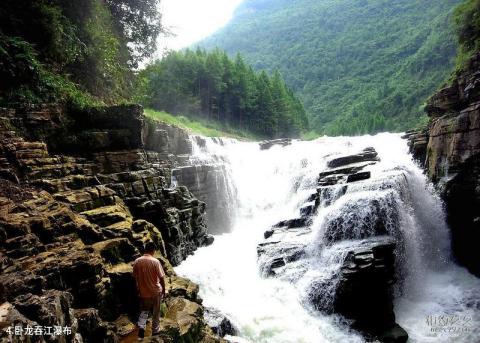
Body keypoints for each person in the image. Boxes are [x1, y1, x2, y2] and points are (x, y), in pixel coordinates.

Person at [132, 241, 166, 339]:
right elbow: (162, 277)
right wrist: (164, 290)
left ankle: (141, 329)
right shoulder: (155, 261)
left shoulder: (137, 261)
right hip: (156, 291)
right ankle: (155, 332)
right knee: (156, 312)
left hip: (144, 292)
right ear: (153, 250)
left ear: (145, 249)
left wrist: (138, 290)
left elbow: (135, 277)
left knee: (144, 311)